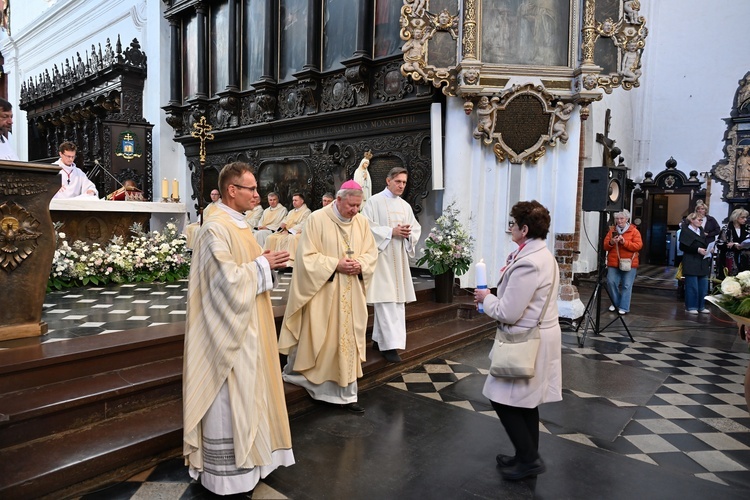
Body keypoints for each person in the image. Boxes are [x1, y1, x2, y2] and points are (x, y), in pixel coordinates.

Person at [183, 162, 294, 495]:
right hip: (225, 333)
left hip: (249, 325)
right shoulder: (215, 228)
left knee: (251, 394)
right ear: (233, 191)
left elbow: (249, 272)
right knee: (230, 400)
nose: (257, 195)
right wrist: (263, 264)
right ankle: (228, 477)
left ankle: (256, 460)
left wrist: (268, 266)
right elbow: (224, 282)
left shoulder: (241, 225)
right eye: (251, 189)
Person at [473, 200, 561, 481]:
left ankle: (530, 459)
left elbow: (508, 312)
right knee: (525, 400)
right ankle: (525, 456)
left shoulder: (530, 264)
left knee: (502, 399)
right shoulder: (539, 254)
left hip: (525, 339)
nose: (509, 228)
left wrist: (486, 299)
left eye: (512, 224)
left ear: (524, 229)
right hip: (537, 335)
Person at [278, 180, 378, 414]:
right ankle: (320, 388)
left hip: (351, 291)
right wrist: (335, 264)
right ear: (338, 200)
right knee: (324, 338)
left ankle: (347, 393)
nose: (355, 210)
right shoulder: (317, 219)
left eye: (358, 206)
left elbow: (371, 254)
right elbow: (306, 258)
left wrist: (360, 265)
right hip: (323, 292)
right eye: (351, 205)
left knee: (348, 339)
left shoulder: (361, 222)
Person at [361, 167, 422, 363]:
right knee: (386, 300)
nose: (401, 186)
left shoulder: (405, 206)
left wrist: (408, 234)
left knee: (395, 302)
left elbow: (415, 228)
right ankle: (390, 347)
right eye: (398, 182)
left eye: (404, 183)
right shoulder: (374, 202)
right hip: (382, 257)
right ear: (388, 181)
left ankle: (380, 341)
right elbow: (365, 226)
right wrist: (390, 232)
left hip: (399, 260)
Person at [602, 209, 643, 315]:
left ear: (627, 219)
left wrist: (624, 242)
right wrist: (611, 242)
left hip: (629, 263)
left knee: (626, 285)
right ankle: (615, 303)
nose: (619, 221)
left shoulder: (634, 231)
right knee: (611, 282)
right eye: (617, 218)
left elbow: (638, 246)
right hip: (613, 262)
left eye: (621, 218)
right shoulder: (612, 231)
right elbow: (605, 246)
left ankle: (624, 307)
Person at [263, 192, 311, 261]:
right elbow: (284, 221)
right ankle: (270, 259)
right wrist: (280, 229)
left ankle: (289, 261)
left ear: (302, 201)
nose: (294, 202)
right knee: (270, 237)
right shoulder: (291, 212)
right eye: (293, 200)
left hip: (296, 233)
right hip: (286, 231)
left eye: (296, 200)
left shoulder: (306, 212)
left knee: (289, 238)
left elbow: (302, 224)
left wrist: (289, 231)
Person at [679, 211, 711, 314]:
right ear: (692, 220)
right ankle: (691, 307)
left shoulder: (701, 230)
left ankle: (701, 306)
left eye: (702, 220)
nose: (701, 222)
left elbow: (704, 243)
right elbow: (682, 246)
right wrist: (697, 249)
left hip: (702, 260)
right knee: (692, 286)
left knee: (703, 286)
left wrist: (709, 249)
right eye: (699, 219)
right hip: (691, 259)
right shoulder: (685, 230)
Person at [717, 208, 750, 278]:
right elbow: (719, 244)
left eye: (746, 217)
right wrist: (732, 245)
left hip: (745, 259)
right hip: (729, 259)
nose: (745, 220)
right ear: (736, 217)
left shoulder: (747, 228)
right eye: (743, 217)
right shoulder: (726, 228)